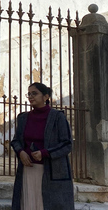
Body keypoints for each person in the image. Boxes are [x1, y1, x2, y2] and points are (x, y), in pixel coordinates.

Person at [11, 82, 74, 210]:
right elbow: (16, 141)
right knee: (28, 205)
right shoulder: (23, 118)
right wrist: (21, 152)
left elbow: (67, 144)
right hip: (28, 171)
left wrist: (45, 153)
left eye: (34, 93)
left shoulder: (57, 117)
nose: (30, 96)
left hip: (51, 172)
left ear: (46, 97)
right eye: (29, 94)